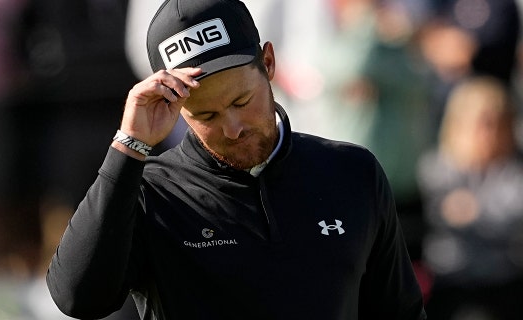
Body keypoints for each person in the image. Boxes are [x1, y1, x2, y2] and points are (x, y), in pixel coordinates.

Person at [46, 0, 426, 319]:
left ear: (269, 63)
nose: (232, 127)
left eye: (241, 101)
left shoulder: (351, 173)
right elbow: (78, 298)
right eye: (205, 116)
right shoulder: (151, 195)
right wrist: (128, 146)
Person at [417, 76, 523, 319]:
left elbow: (514, 216)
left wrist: (474, 212)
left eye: (497, 124)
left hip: (505, 278)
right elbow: (438, 216)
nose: (487, 134)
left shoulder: (514, 169)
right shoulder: (436, 166)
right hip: (451, 279)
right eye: (480, 123)